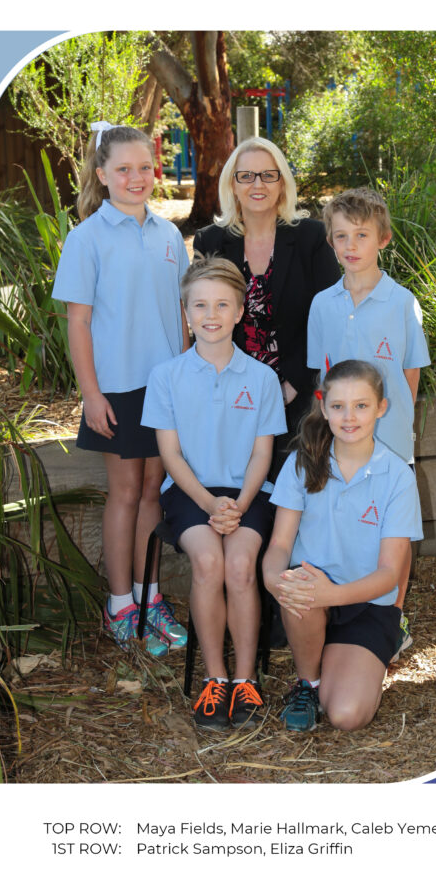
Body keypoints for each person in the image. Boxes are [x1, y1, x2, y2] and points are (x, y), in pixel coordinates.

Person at [52, 121, 190, 658]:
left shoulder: (168, 235)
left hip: (164, 385)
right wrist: (92, 393)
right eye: (124, 169)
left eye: (145, 167)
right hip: (117, 388)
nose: (137, 177)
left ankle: (149, 597)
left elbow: (182, 313)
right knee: (127, 492)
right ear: (103, 174)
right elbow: (79, 323)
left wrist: (185, 377)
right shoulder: (86, 238)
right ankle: (119, 605)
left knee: (154, 490)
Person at [142, 257, 287, 730]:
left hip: (249, 492)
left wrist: (239, 505)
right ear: (185, 312)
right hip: (190, 492)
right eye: (200, 305)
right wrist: (209, 504)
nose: (211, 314)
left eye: (222, 304)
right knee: (208, 562)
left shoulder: (262, 379)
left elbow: (262, 455)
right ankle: (215, 679)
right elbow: (170, 455)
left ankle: (246, 680)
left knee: (241, 565)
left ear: (240, 311)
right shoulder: (166, 377)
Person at [263, 360, 423, 731]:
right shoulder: (301, 464)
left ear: (381, 408)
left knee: (346, 716)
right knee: (298, 584)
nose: (349, 417)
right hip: (311, 600)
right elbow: (279, 545)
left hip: (367, 604)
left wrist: (331, 595)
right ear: (324, 408)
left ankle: (363, 654)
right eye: (338, 406)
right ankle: (307, 682)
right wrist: (275, 581)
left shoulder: (397, 477)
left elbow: (389, 574)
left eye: (361, 405)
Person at [307, 187, 430, 658]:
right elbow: (321, 375)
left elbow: (410, 374)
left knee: (393, 531)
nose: (351, 245)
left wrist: (397, 431)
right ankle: (347, 610)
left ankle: (391, 619)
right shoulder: (323, 305)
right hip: (340, 438)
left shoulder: (402, 303)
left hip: (390, 437)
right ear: (331, 242)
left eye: (362, 235)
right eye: (341, 236)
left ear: (383, 238)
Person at [192, 136, 340, 475]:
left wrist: (291, 384)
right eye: (246, 176)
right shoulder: (209, 241)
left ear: (282, 183)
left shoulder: (311, 238)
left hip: (300, 392)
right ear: (232, 185)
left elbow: (329, 319)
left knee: (298, 484)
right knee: (238, 487)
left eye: (268, 175)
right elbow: (203, 320)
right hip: (231, 392)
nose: (257, 184)